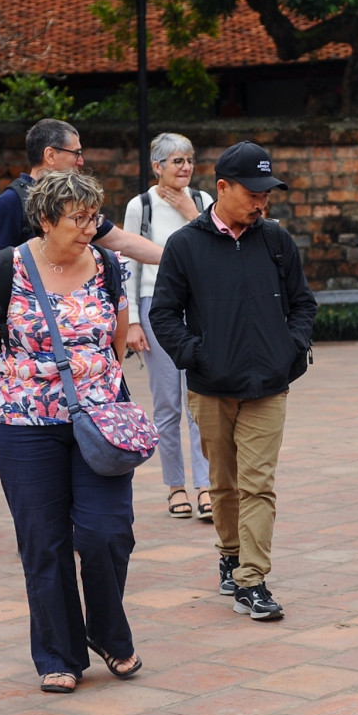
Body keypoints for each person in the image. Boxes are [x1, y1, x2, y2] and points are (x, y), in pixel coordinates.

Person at [0, 170, 142, 693]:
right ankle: (58, 654)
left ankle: (106, 631)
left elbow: (116, 346)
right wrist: (8, 409)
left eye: (93, 216)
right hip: (24, 429)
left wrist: (94, 396)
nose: (90, 228)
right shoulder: (5, 267)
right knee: (45, 542)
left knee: (108, 532)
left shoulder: (110, 266)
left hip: (100, 427)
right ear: (43, 220)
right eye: (77, 218)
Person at [148, 141, 317, 621]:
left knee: (257, 484)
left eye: (268, 193)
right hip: (211, 387)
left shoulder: (276, 241)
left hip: (269, 384)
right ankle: (228, 552)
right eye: (254, 193)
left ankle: (252, 579)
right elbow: (163, 312)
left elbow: (303, 303)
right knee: (223, 484)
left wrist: (289, 348)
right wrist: (194, 355)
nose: (263, 202)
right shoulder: (185, 245)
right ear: (222, 188)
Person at [122, 133, 215, 520]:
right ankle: (175, 486)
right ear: (157, 166)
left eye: (190, 159)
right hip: (154, 307)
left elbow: (218, 245)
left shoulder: (206, 201)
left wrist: (191, 213)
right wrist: (129, 321)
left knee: (201, 400)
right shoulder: (139, 206)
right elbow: (125, 261)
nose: (186, 167)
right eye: (177, 161)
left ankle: (206, 485)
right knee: (167, 404)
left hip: (200, 307)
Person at [0, 118, 162, 265]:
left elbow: (122, 241)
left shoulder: (76, 201)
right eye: (76, 153)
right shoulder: (10, 203)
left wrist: (176, 260)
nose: (81, 161)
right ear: (50, 155)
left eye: (85, 218)